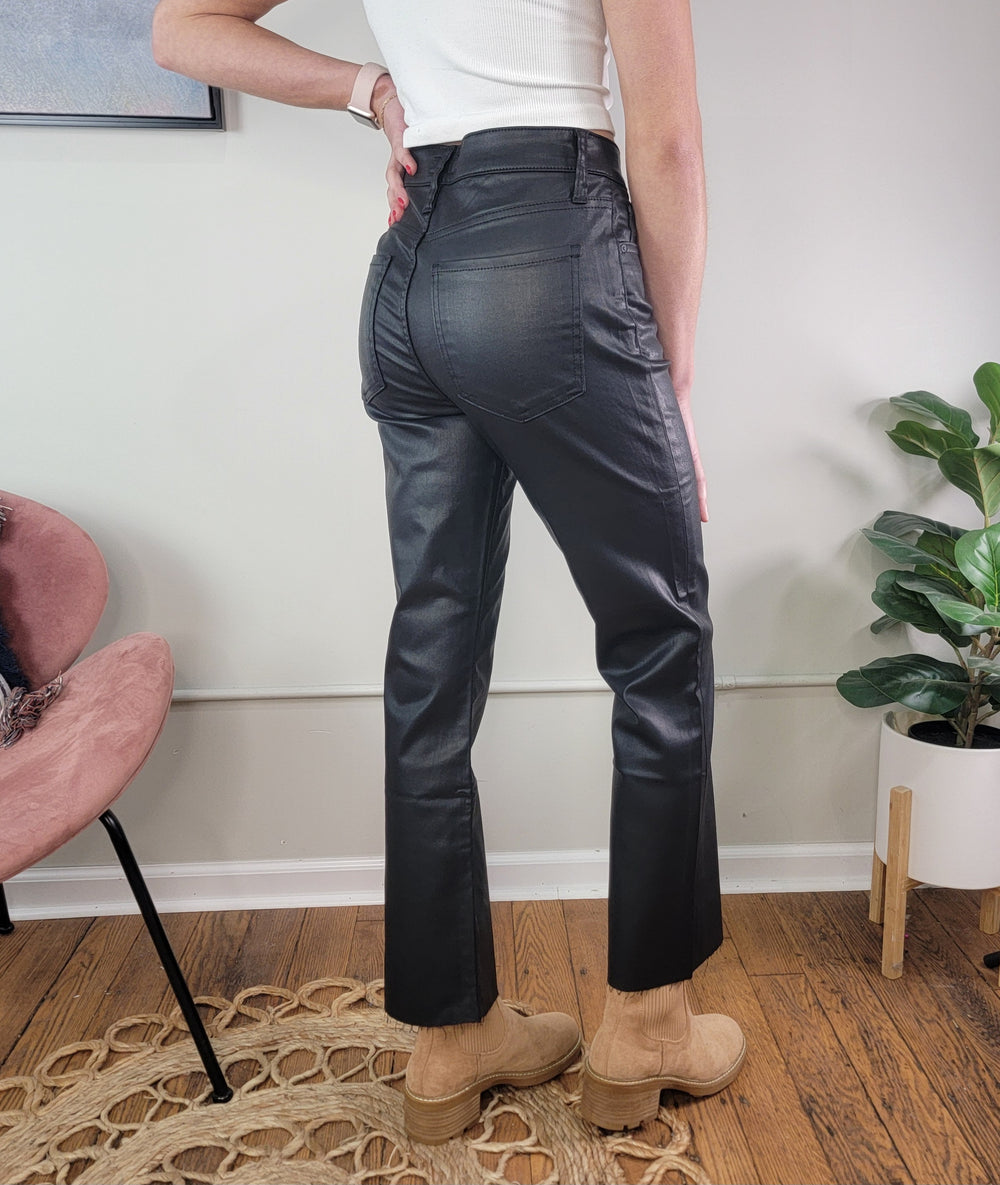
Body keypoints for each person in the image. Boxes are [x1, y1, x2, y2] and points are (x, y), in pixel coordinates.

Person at [152, 0, 746, 1144]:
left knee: (432, 663)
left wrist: (371, 89)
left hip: (412, 276)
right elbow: (666, 141)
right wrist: (664, 381)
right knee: (659, 644)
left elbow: (181, 29)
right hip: (554, 254)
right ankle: (647, 1025)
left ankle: (448, 1040)